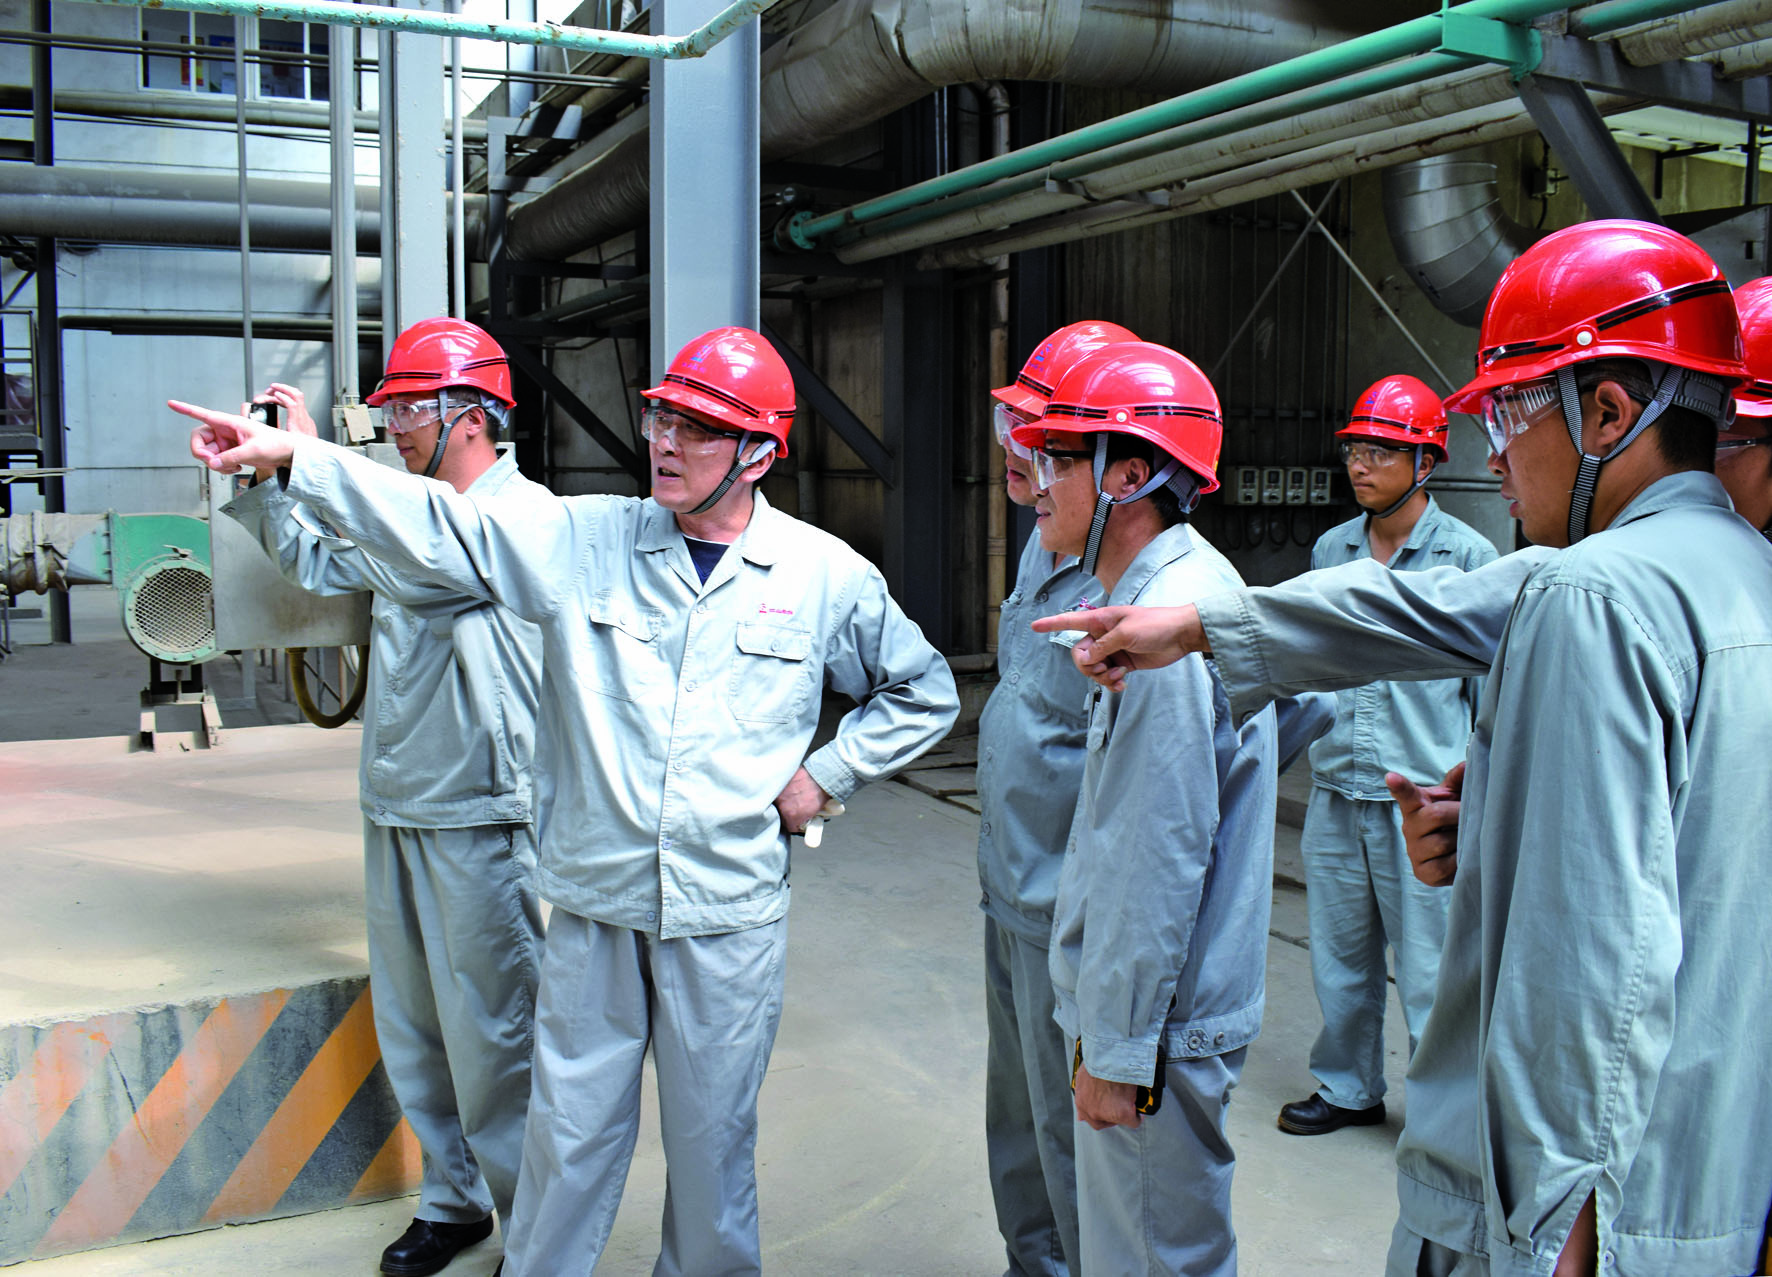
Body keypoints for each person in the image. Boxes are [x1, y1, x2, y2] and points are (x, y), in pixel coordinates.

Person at [1040, 222, 1772, 1275]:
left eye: (1510, 411)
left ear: (1609, 413)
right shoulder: (1738, 573)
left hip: (1550, 1206)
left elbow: (1589, 965)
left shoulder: (1590, 593)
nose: (1494, 452)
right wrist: (1503, 820)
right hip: (1696, 1183)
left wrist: (1558, 1225)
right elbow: (1688, 856)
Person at [175, 324, 959, 1276]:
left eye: (697, 429)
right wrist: (300, 460)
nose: (664, 442)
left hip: (726, 910)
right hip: (596, 903)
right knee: (565, 1141)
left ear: (758, 453)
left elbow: (922, 690)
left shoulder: (822, 573)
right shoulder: (587, 538)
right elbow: (446, 527)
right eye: (661, 419)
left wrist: (826, 774)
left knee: (712, 1148)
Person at [225, 318, 544, 1277]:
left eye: (410, 409)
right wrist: (272, 476)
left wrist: (311, 459)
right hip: (399, 802)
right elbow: (320, 562)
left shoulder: (517, 520)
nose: (394, 427)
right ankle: (454, 1201)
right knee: (415, 1028)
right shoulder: (403, 510)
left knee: (497, 1039)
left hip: (484, 815)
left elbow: (431, 545)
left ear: (473, 414)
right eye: (390, 409)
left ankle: (539, 1229)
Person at [1009, 340, 1276, 1277]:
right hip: (1165, 1018)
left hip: (1158, 1030)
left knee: (1154, 1257)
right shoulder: (1169, 594)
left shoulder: (1170, 623)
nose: (1033, 480)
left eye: (1056, 457)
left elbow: (1155, 854)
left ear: (1130, 475)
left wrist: (1119, 1049)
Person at [1278, 375, 1495, 1139]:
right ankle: (1348, 1086)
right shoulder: (1332, 550)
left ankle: (1443, 1110)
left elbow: (1488, 695)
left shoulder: (1468, 557)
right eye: (1355, 451)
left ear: (1426, 462)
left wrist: (1476, 796)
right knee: (1340, 957)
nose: (1360, 465)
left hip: (1423, 798)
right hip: (1338, 786)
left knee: (1432, 965)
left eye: (1381, 451)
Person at [978, 318, 1135, 1277]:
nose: (1017, 451)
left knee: (1071, 1134)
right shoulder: (1047, 543)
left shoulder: (1137, 580)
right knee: (1017, 1117)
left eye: (1041, 439)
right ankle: (1030, 1263)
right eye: (1013, 429)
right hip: (1009, 885)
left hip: (1064, 906)